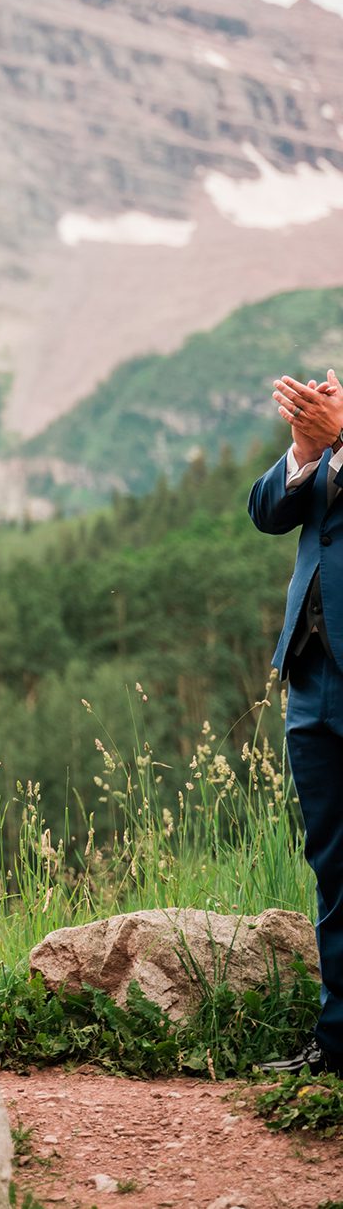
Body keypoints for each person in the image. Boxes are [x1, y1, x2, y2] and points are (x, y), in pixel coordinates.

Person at [252, 366, 343, 1075]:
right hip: (311, 673)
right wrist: (307, 450)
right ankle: (337, 1042)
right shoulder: (323, 446)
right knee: (332, 860)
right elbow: (266, 511)